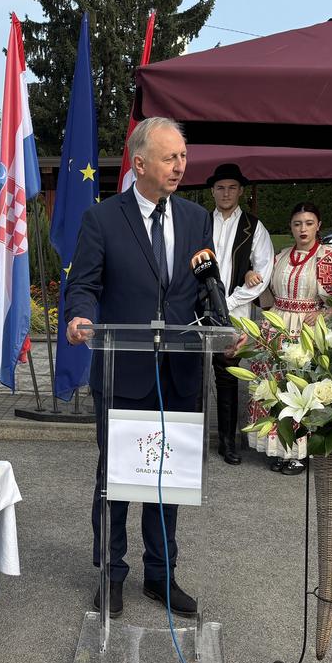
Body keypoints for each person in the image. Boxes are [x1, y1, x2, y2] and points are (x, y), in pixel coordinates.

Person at [65, 117, 213, 619]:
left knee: (164, 480)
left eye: (183, 157)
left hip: (180, 373)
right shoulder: (103, 219)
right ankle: (111, 575)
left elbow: (205, 287)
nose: (180, 166)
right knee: (118, 478)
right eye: (170, 157)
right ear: (141, 162)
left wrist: (225, 328)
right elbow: (83, 284)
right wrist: (81, 314)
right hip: (122, 372)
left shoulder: (197, 218)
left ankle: (161, 576)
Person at [247, 202, 332, 475]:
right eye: (297, 224)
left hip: (309, 331)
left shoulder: (329, 256)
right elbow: (266, 295)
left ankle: (299, 453)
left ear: (318, 225)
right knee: (274, 389)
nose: (303, 229)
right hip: (276, 328)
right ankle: (277, 448)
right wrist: (251, 277)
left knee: (304, 390)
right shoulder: (280, 256)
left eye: (308, 223)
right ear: (291, 228)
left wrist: (327, 309)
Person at [207, 163, 273, 467]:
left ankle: (228, 443)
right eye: (221, 187)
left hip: (234, 313)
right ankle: (190, 440)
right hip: (198, 311)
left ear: (240, 191)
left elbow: (263, 272)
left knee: (228, 376)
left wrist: (229, 301)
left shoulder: (253, 226)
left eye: (232, 187)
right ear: (213, 191)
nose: (226, 193)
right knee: (190, 376)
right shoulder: (200, 222)